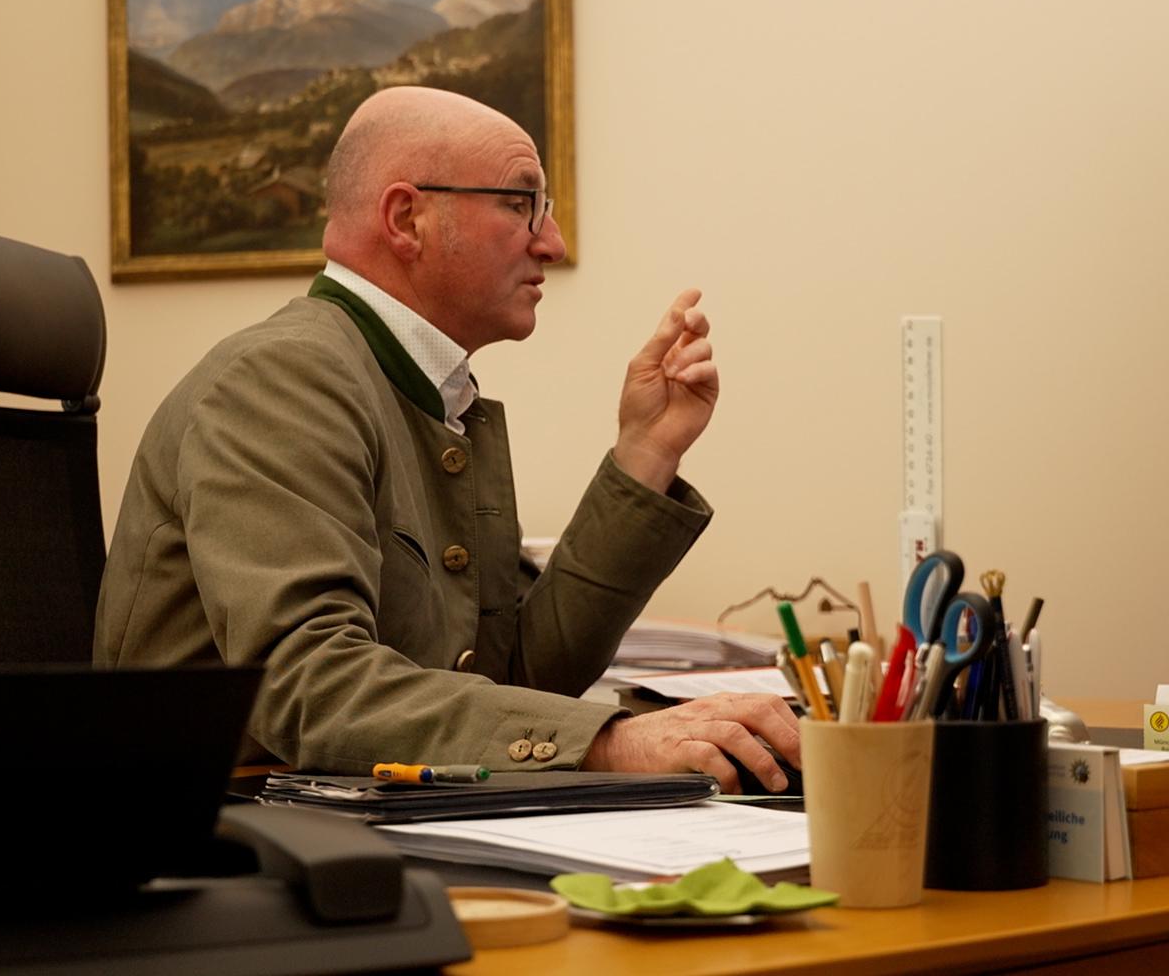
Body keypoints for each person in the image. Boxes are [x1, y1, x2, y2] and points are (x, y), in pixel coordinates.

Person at [96, 87, 798, 793]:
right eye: (521, 202)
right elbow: (312, 687)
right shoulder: (281, 378)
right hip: (212, 842)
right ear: (407, 218)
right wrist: (613, 745)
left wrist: (645, 455)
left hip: (346, 817)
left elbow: (514, 676)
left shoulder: (421, 394)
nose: (551, 242)